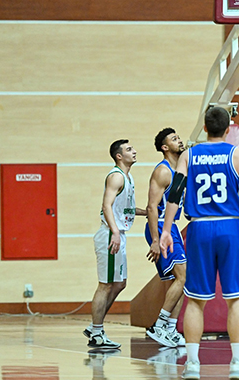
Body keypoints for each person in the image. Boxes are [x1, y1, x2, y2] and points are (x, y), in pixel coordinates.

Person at [159, 106, 239, 380]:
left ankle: (192, 365)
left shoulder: (188, 155)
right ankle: (237, 363)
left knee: (195, 300)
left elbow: (175, 193)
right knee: (236, 300)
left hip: (199, 228)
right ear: (227, 128)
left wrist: (166, 230)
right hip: (231, 227)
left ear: (204, 128)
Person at [84, 140, 146, 349]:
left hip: (118, 233)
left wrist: (146, 211)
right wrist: (116, 232)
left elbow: (123, 208)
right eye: (129, 149)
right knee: (105, 285)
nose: (134, 151)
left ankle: (95, 326)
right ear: (119, 156)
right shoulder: (116, 176)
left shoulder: (128, 177)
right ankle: (96, 332)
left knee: (120, 284)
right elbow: (107, 205)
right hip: (111, 234)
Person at [144, 128, 187, 348]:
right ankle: (158, 325)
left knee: (181, 280)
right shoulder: (163, 171)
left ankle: (170, 328)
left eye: (178, 137)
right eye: (174, 139)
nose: (179, 140)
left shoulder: (180, 168)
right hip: (160, 227)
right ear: (164, 147)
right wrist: (155, 239)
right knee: (183, 276)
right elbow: (152, 207)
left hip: (172, 227)